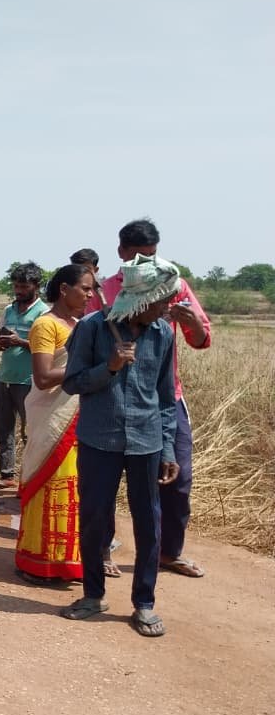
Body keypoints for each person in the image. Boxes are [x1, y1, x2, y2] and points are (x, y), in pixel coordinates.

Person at [60, 254, 180, 638]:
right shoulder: (93, 329)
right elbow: (72, 382)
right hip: (100, 439)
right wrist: (108, 368)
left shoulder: (162, 334)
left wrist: (168, 448)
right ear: (142, 300)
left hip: (145, 441)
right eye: (163, 300)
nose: (168, 307)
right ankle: (93, 595)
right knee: (94, 518)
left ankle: (143, 603)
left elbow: (165, 398)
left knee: (149, 522)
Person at [98, 220, 210, 579]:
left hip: (163, 397)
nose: (147, 263)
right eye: (139, 256)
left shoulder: (174, 286)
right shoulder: (104, 292)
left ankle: (168, 551)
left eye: (152, 255)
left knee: (177, 476)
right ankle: (101, 549)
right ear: (122, 254)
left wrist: (191, 321)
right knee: (106, 478)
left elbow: (201, 339)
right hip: (111, 396)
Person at [14, 264, 95, 582]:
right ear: (64, 289)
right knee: (50, 484)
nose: (90, 294)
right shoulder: (46, 326)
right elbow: (44, 377)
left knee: (74, 490)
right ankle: (37, 560)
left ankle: (67, 561)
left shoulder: (81, 325)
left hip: (78, 419)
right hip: (52, 417)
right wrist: (91, 368)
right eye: (85, 288)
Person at [0, 262, 46, 494]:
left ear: (36, 286)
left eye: (23, 286)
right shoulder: (8, 310)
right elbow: (2, 344)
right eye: (16, 286)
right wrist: (0, 342)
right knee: (3, 429)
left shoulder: (44, 313)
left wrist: (20, 342)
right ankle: (7, 476)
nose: (18, 290)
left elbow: (46, 348)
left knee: (29, 433)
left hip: (29, 381)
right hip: (5, 378)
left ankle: (31, 479)